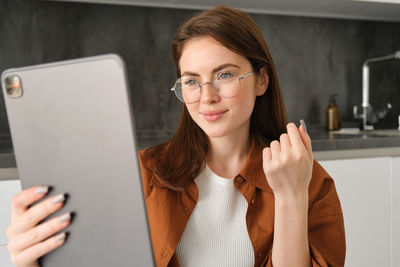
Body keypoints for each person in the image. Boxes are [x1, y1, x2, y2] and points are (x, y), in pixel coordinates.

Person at [6, 6, 346, 267]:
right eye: (191, 80)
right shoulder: (140, 174)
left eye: (224, 74)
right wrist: (30, 259)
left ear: (261, 81)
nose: (206, 96)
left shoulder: (308, 180)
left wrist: (289, 196)